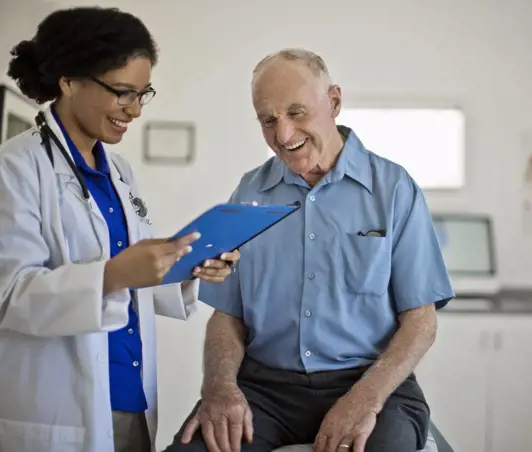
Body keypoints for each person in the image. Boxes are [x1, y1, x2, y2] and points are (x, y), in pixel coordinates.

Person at [165, 48, 454, 452]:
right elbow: (227, 316)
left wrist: (364, 399)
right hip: (266, 390)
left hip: (369, 382)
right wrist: (219, 388)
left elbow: (421, 322)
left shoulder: (394, 190)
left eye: (296, 112)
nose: (283, 135)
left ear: (334, 101)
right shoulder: (250, 191)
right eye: (268, 120)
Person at [0, 7, 240, 452]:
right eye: (122, 93)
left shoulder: (119, 173)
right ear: (68, 81)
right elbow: (10, 295)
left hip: (130, 396)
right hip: (60, 407)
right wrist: (113, 275)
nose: (134, 110)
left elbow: (133, 279)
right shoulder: (14, 168)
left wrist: (187, 266)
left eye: (142, 94)